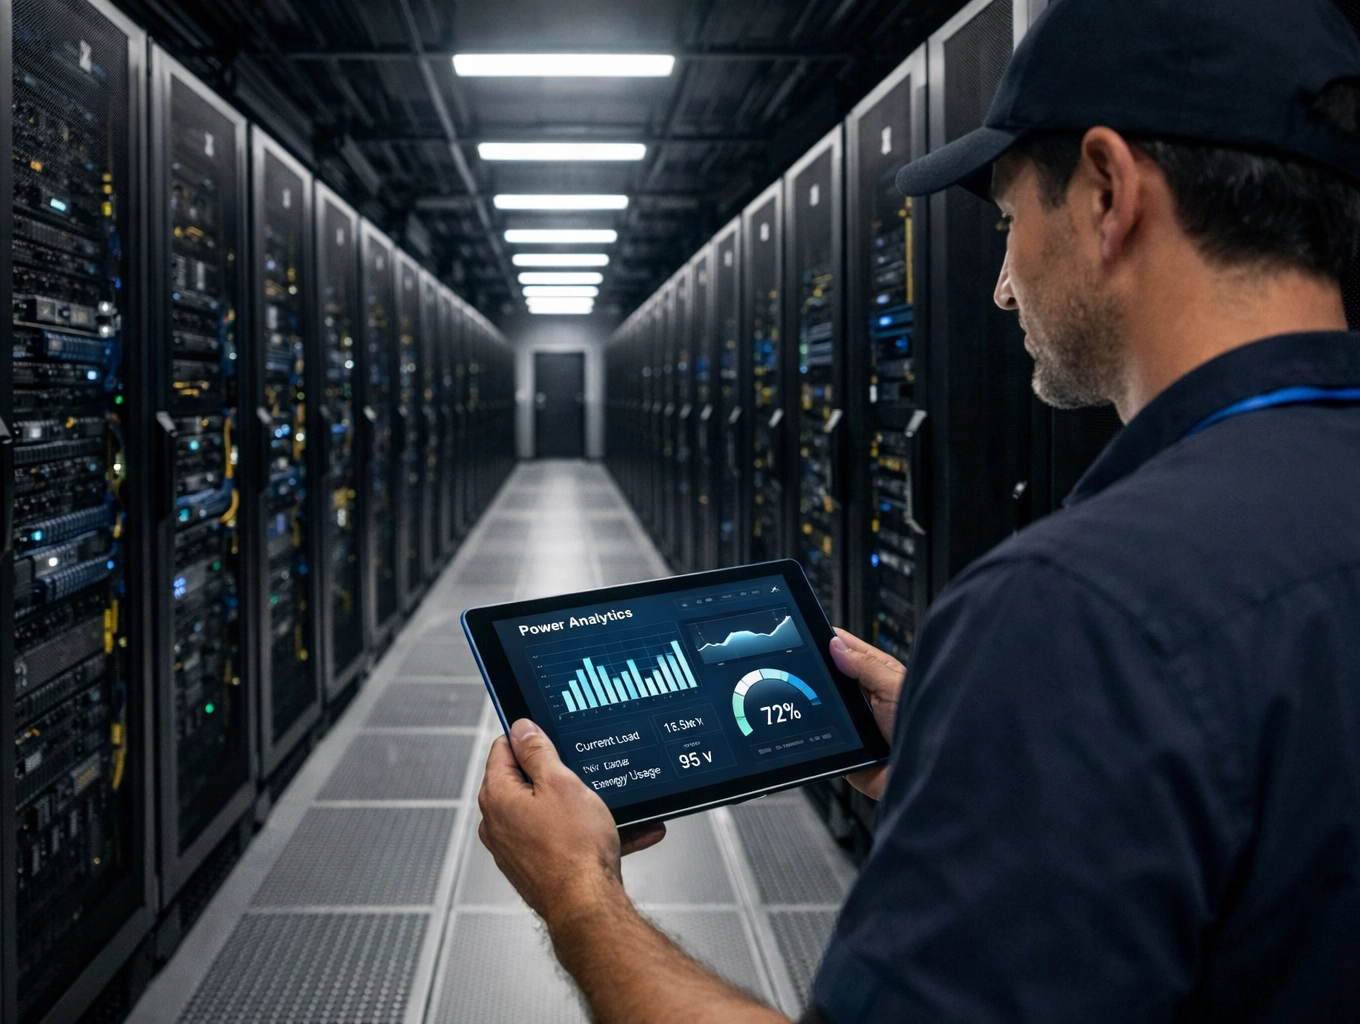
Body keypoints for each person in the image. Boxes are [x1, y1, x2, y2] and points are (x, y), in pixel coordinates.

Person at [477, 0, 1360, 1019]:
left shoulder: (1079, 614)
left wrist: (578, 895)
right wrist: (985, 772)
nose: (999, 286)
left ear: (1110, 192)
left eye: (1008, 222)